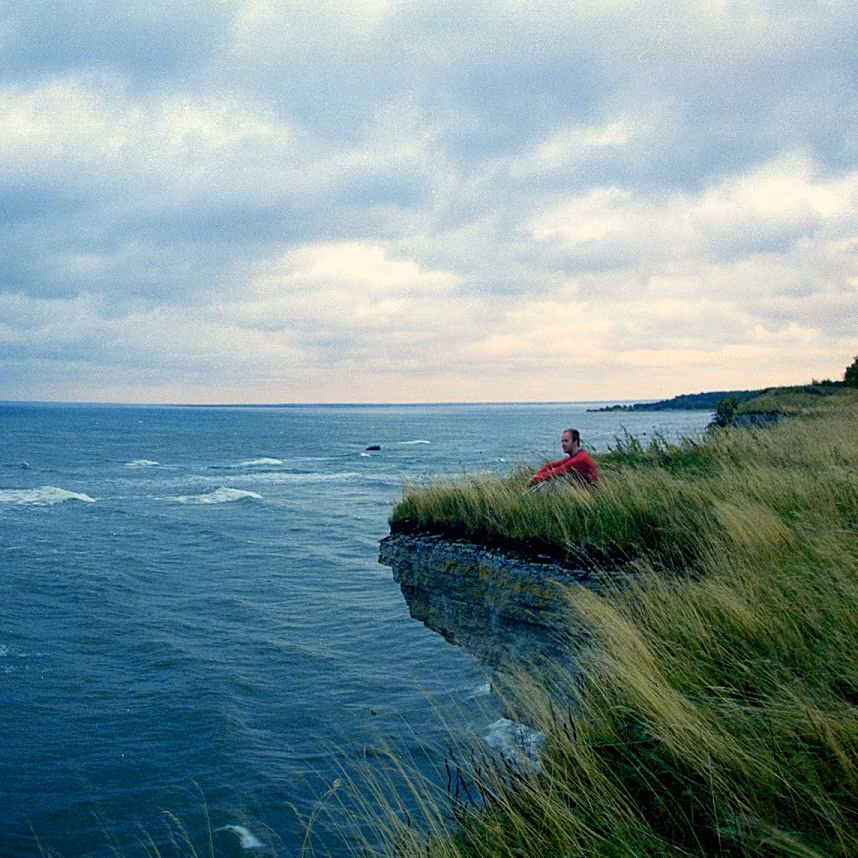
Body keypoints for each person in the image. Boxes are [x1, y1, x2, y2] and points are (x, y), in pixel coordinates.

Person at [528, 428, 598, 487]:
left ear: (575, 442)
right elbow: (550, 466)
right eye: (562, 441)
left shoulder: (579, 459)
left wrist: (534, 480)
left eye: (566, 441)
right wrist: (536, 476)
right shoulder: (577, 455)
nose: (563, 444)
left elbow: (556, 472)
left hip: (589, 493)